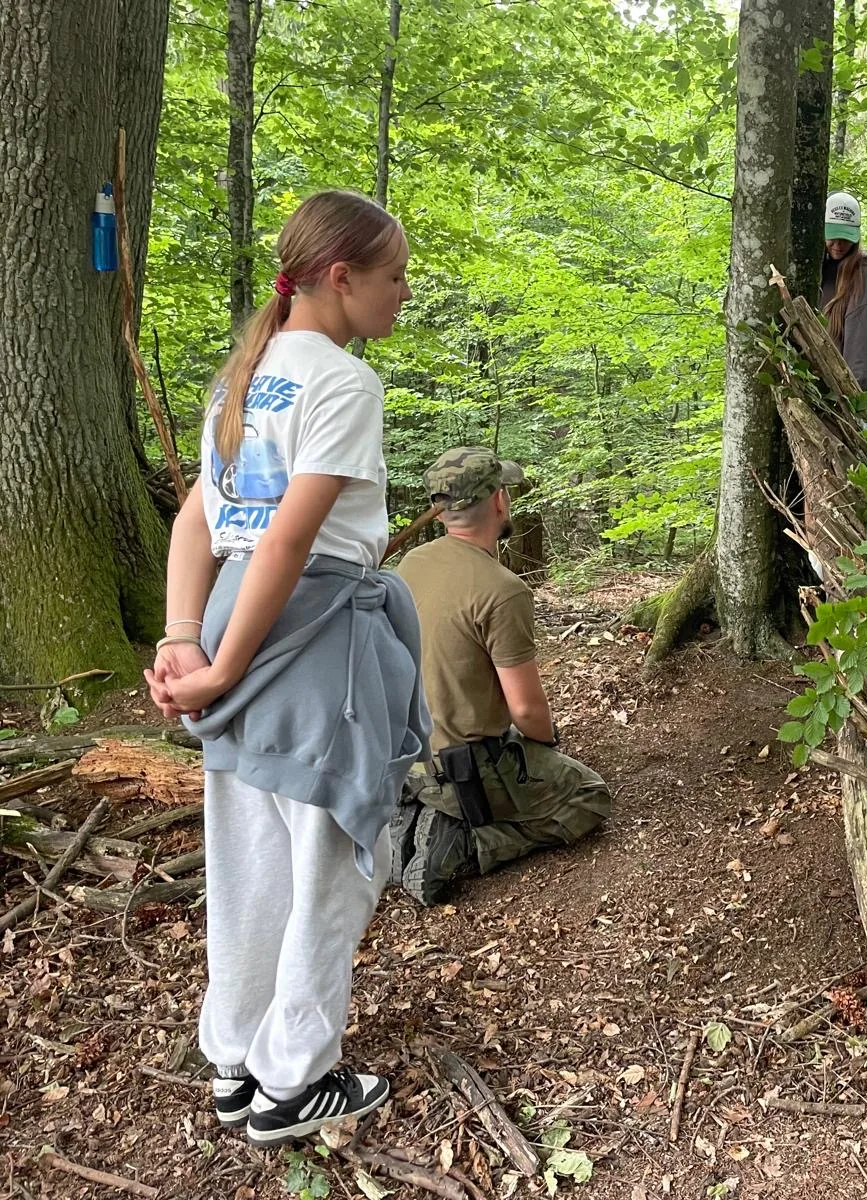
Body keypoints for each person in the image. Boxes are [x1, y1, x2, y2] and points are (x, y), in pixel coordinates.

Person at [144, 191, 428, 1147]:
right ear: (340, 279)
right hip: (312, 645)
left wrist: (186, 635)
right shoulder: (343, 382)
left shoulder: (248, 374)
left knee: (249, 862)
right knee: (333, 864)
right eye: (393, 277)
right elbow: (291, 545)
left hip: (231, 620)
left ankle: (236, 1060)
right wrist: (218, 666)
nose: (403, 293)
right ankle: (295, 1082)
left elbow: (201, 518)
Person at [390, 448, 612, 906]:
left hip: (408, 754)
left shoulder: (411, 564)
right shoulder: (502, 591)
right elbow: (528, 709)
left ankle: (420, 816)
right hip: (465, 768)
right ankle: (468, 843)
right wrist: (545, 742)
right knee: (590, 796)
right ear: (498, 501)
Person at [819, 191, 867, 392]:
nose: (838, 245)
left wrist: (848, 399)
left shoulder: (863, 277)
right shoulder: (818, 269)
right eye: (833, 237)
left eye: (845, 238)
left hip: (835, 398)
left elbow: (860, 357)